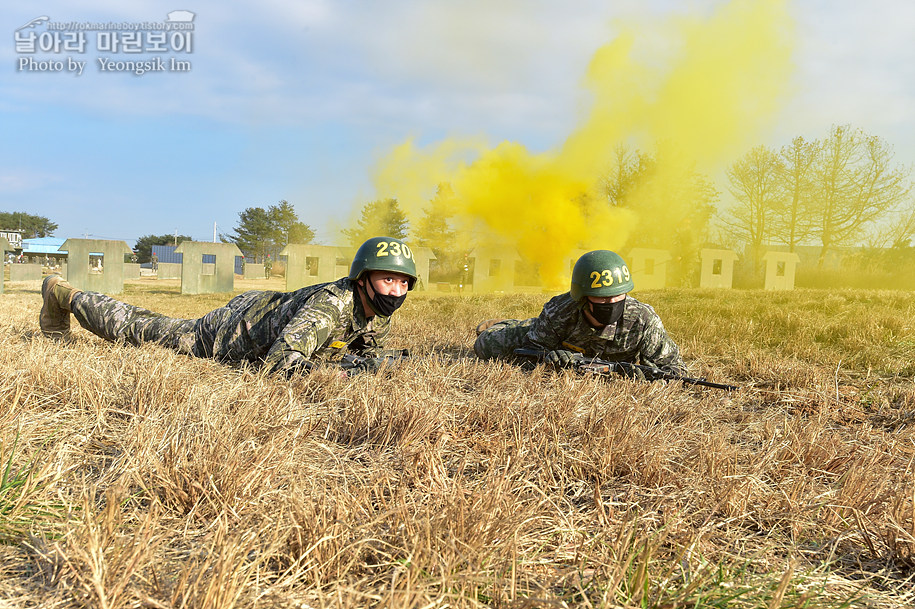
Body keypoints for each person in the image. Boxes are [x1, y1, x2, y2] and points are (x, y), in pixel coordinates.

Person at [39, 236, 418, 376]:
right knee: (139, 327)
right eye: (388, 279)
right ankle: (63, 293)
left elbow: (362, 349)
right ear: (363, 278)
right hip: (226, 334)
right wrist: (345, 372)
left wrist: (372, 363)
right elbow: (281, 363)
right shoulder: (331, 305)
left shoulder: (375, 313)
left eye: (403, 283)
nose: (395, 290)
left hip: (262, 313)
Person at [473, 250, 686, 374]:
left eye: (617, 295)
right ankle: (510, 324)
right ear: (583, 297)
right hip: (550, 335)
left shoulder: (643, 320)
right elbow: (530, 352)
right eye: (602, 297)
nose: (611, 302)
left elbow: (677, 371)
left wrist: (648, 375)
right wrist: (549, 358)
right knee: (486, 346)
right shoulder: (560, 311)